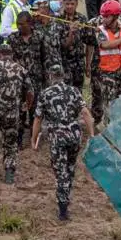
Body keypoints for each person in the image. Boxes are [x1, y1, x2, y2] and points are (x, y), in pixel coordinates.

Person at [31, 63, 90, 222]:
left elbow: (37, 119)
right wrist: (91, 135)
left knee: (60, 172)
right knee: (70, 168)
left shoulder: (45, 94)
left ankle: (63, 209)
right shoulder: (74, 91)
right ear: (63, 76)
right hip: (74, 135)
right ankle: (66, 197)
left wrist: (33, 139)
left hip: (57, 137)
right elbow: (85, 113)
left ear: (50, 76)